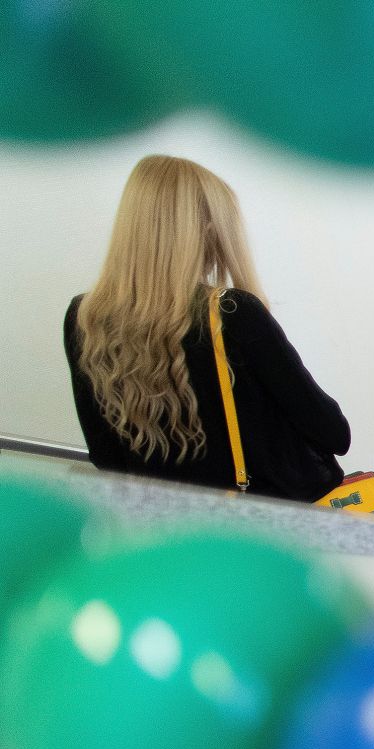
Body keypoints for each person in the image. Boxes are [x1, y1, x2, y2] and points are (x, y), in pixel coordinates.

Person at [63, 155, 350, 502]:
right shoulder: (233, 312)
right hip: (257, 529)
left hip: (163, 532)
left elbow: (106, 457)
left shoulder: (85, 317)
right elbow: (333, 433)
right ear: (206, 231)